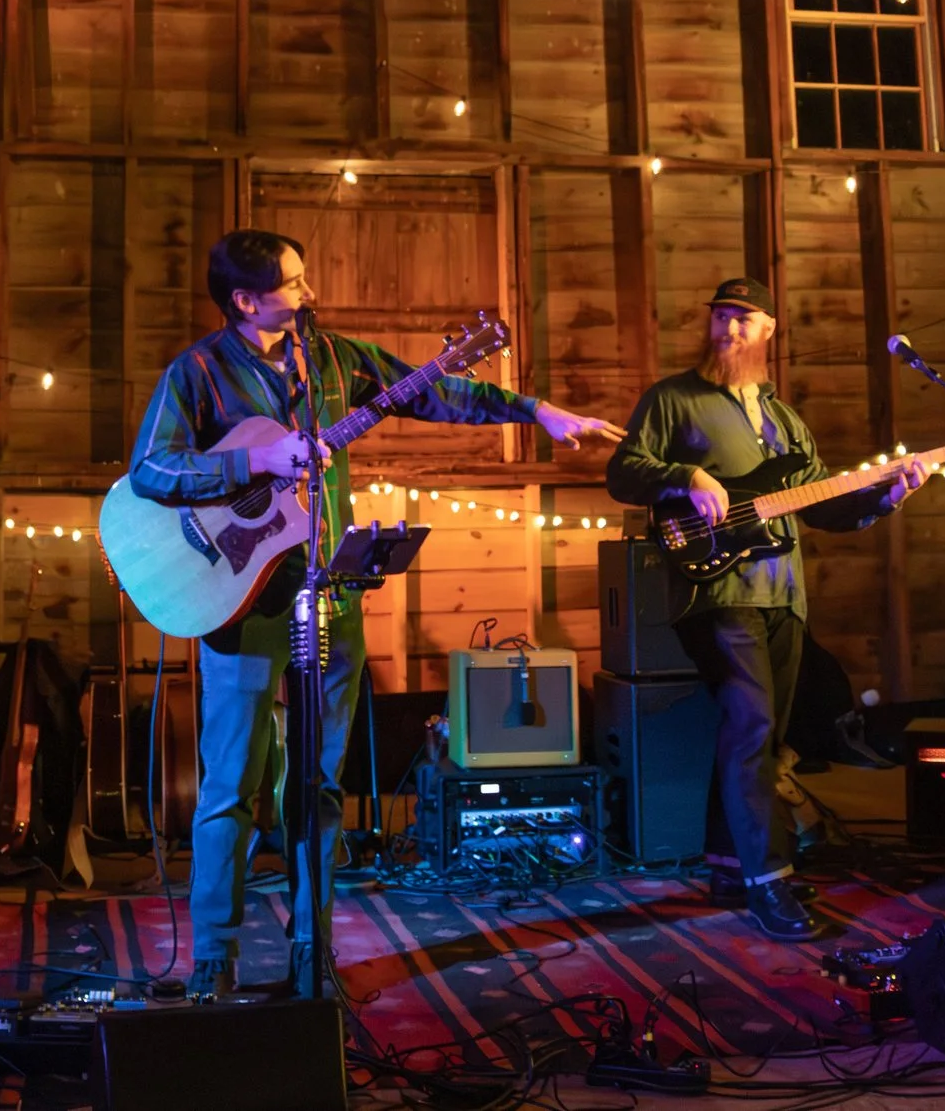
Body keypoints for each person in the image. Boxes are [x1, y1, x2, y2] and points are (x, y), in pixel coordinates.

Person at [127, 229, 625, 999]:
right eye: (292, 284)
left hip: (329, 591)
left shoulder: (330, 358)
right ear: (244, 301)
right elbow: (151, 468)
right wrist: (255, 460)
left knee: (320, 783)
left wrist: (534, 411)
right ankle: (214, 960)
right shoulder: (196, 371)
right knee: (232, 784)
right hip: (237, 597)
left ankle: (309, 946)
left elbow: (433, 390)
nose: (308, 292)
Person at [605, 278, 928, 941]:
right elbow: (623, 471)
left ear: (770, 329)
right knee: (752, 726)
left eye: (743, 319)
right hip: (717, 593)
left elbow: (827, 505)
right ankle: (769, 882)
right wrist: (686, 476)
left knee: (762, 738)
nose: (728, 328)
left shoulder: (786, 420)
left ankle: (729, 862)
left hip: (785, 596)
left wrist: (886, 495)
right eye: (721, 315)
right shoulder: (674, 398)